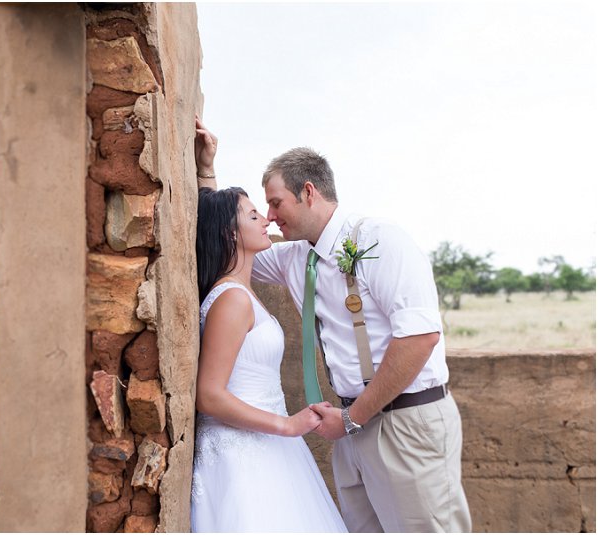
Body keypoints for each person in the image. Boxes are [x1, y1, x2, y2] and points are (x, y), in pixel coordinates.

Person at [195, 118, 472, 532]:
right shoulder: (292, 258)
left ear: (308, 192)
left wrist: (351, 418)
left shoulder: (381, 240)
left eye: (276, 203)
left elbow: (420, 338)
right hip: (349, 427)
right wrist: (206, 173)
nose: (269, 216)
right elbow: (224, 239)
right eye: (262, 209)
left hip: (404, 421)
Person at [191, 184, 348, 529]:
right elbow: (209, 395)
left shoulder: (241, 290)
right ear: (229, 233)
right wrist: (287, 425)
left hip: (267, 445)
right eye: (253, 215)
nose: (266, 220)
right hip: (240, 454)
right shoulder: (232, 299)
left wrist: (207, 171)